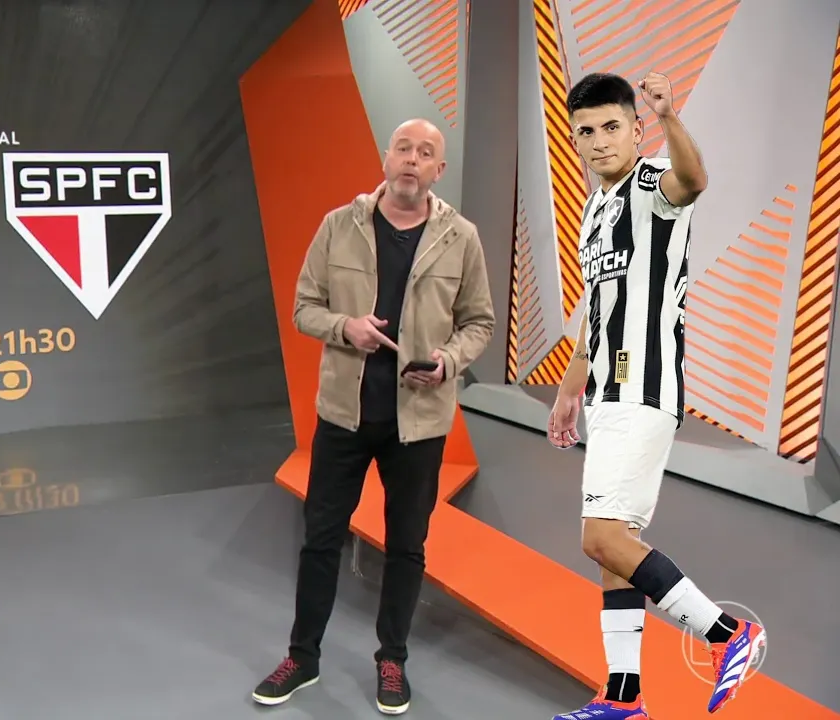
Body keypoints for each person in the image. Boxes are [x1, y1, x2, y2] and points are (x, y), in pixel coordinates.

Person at [251, 118, 495, 716]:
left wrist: (448, 361)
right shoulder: (339, 225)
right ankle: (302, 657)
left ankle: (392, 660)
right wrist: (346, 328)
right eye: (404, 148)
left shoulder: (461, 236)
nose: (412, 159)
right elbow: (304, 308)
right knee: (321, 540)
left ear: (439, 170)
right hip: (344, 414)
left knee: (407, 545)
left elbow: (479, 322)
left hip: (419, 421)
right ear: (387, 158)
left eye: (426, 153)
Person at [547, 72, 766, 719]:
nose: (599, 141)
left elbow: (692, 180)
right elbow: (596, 311)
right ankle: (623, 697)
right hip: (606, 396)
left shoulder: (652, 184)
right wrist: (569, 390)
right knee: (618, 545)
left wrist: (672, 117)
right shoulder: (594, 211)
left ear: (636, 130)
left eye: (612, 126)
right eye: (586, 131)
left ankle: (729, 635)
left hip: (643, 388)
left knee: (600, 537)